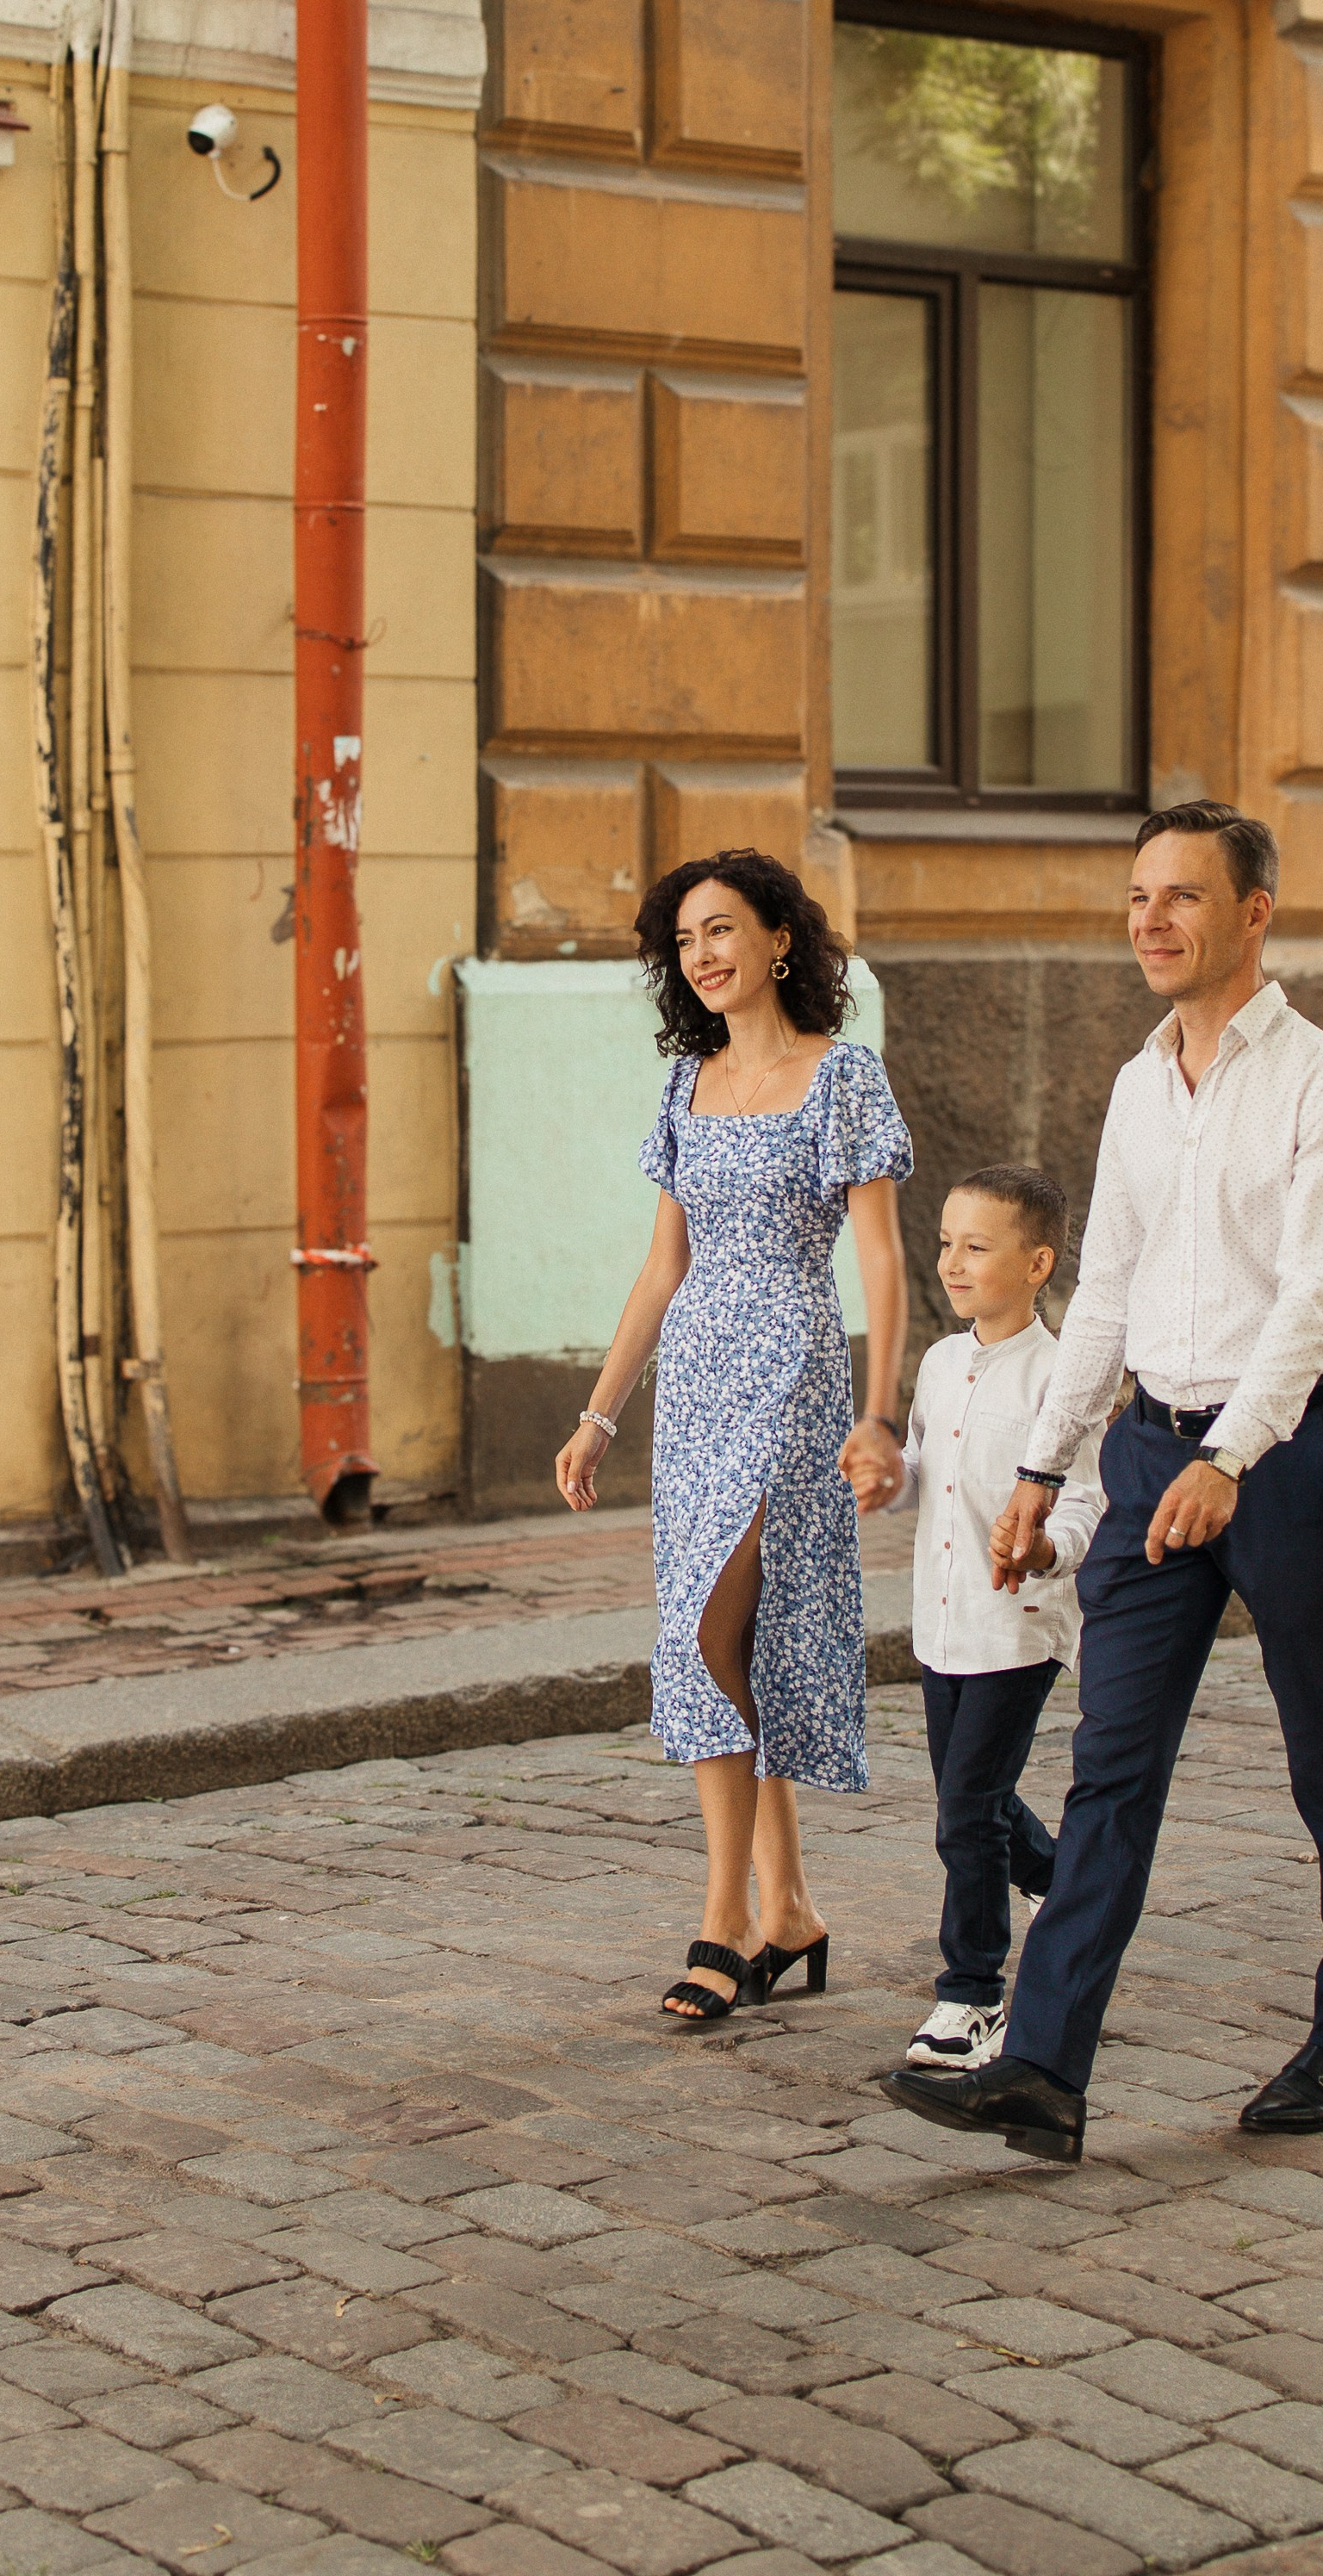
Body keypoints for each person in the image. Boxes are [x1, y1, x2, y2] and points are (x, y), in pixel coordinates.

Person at [885, 801, 1323, 2164]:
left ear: (1252, 914)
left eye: (1181, 897)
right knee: (1110, 1769)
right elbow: (1102, 1292)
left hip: (1281, 1459)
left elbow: (1315, 1297)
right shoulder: (1132, 1086)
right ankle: (1045, 2069)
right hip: (1145, 1455)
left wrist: (1235, 1454)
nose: (1152, 922)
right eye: (1136, 900)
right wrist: (1041, 1471)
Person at [556, 847, 911, 2024]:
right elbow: (662, 1272)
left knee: (709, 1631)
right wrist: (601, 1412)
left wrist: (878, 1411)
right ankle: (792, 1910)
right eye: (684, 942)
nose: (703, 957)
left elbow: (881, 1260)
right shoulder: (686, 1087)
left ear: (779, 942)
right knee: (726, 1642)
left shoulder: (842, 1078)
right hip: (698, 1386)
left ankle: (720, 1922)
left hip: (795, 1374)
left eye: (721, 931)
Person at [846, 1165, 1103, 2072]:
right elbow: (922, 1466)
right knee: (973, 1799)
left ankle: (971, 1996)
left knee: (965, 1816)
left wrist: (1042, 1549)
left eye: (977, 1247)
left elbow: (1083, 1503)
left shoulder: (1063, 1378)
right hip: (941, 1624)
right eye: (947, 1242)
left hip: (1016, 1626)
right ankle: (1063, 1881)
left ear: (1037, 1264)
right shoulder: (940, 1363)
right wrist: (888, 1478)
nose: (952, 1262)